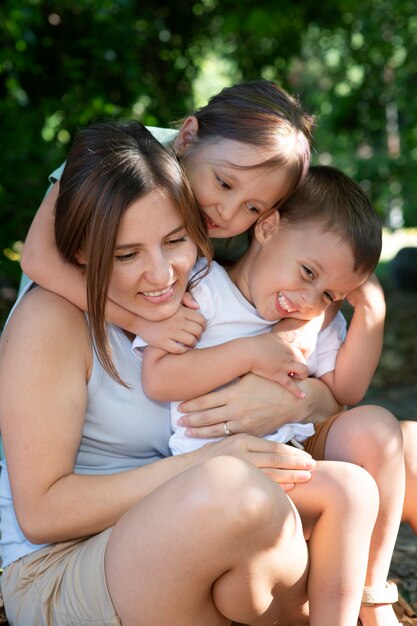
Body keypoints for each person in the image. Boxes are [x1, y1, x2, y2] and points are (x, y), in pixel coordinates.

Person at [0, 119, 360, 626]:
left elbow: (307, 293)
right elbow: (41, 514)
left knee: (335, 494)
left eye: (175, 240)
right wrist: (210, 463)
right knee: (235, 495)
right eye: (126, 255)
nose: (161, 273)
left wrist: (305, 398)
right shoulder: (50, 322)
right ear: (82, 254)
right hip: (61, 567)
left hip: (174, 531)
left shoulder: (202, 301)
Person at [139, 165, 403, 626]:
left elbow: (347, 390)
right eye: (307, 272)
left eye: (329, 293)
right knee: (354, 492)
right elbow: (159, 379)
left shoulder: (310, 318)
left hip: (285, 467)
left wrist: (370, 310)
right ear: (267, 227)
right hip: (215, 474)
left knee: (379, 428)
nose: (307, 298)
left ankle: (370, 598)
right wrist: (251, 354)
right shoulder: (204, 289)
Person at [19, 79, 342, 437]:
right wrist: (142, 323)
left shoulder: (239, 221)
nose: (227, 212)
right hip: (69, 349)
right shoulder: (119, 162)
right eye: (223, 183)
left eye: (253, 207)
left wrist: (303, 332)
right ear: (187, 137)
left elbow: (333, 269)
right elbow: (36, 257)